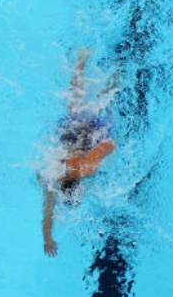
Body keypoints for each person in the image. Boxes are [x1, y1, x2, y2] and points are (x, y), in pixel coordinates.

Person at [41, 49, 118, 257]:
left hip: (85, 135)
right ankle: (92, 65)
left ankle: (110, 71)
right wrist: (47, 238)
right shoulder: (55, 175)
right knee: (83, 103)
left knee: (93, 104)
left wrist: (48, 238)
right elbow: (47, 212)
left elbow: (48, 211)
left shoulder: (81, 169)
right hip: (82, 136)